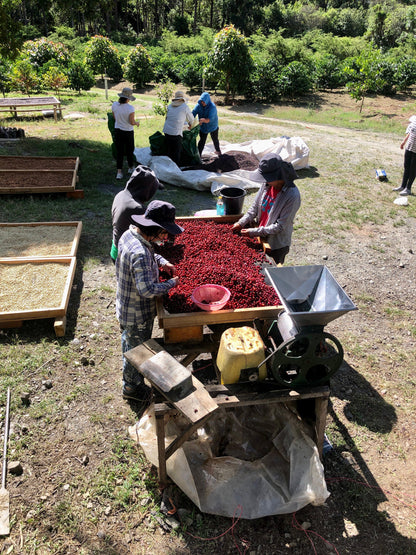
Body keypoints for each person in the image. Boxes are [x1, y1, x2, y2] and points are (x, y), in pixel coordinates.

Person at [116, 200, 183, 401]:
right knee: (135, 350)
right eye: (163, 232)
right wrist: (171, 283)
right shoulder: (140, 253)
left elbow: (149, 255)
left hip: (125, 303)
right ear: (152, 228)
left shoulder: (130, 234)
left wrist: (162, 261)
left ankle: (132, 380)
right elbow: (146, 290)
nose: (165, 237)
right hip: (137, 312)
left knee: (129, 342)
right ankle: (131, 389)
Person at [232, 153, 301, 265]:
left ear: (278, 176)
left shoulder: (292, 196)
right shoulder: (267, 185)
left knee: (269, 272)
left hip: (275, 245)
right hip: (260, 236)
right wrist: (241, 222)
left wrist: (253, 232)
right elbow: (254, 207)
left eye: (267, 178)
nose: (264, 180)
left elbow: (280, 226)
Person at [110, 165, 163, 262]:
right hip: (125, 254)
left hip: (115, 247)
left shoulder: (121, 194)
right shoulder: (137, 208)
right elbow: (152, 236)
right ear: (146, 191)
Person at [112, 87, 140, 180]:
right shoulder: (130, 108)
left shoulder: (115, 105)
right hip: (128, 131)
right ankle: (130, 167)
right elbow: (131, 122)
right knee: (129, 150)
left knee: (119, 151)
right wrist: (137, 123)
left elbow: (115, 117)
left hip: (118, 130)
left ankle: (119, 172)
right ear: (128, 98)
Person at [163, 90, 194, 166]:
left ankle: (168, 167)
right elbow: (192, 119)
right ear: (183, 99)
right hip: (175, 133)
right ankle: (175, 170)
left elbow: (169, 118)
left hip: (167, 130)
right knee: (176, 152)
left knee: (169, 151)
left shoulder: (170, 106)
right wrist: (190, 124)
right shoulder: (184, 107)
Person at [192, 92, 221, 157]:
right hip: (203, 127)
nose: (202, 103)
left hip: (212, 125)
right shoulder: (198, 106)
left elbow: (208, 120)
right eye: (201, 101)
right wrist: (191, 120)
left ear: (207, 100)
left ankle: (218, 151)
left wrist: (202, 120)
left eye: (204, 102)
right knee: (202, 141)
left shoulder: (212, 107)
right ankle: (199, 155)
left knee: (215, 139)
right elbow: (193, 113)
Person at [393, 115, 416, 196]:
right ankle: (403, 186)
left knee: (413, 170)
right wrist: (404, 142)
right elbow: (410, 132)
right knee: (406, 167)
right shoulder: (414, 120)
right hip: (409, 147)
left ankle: (408, 188)